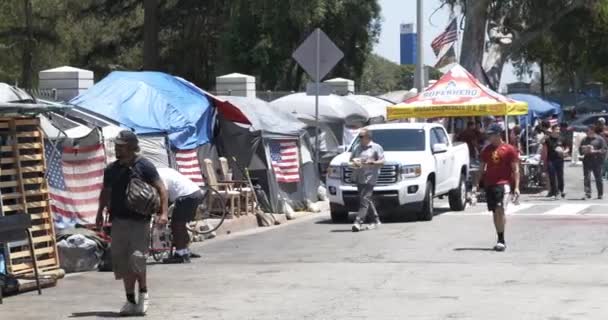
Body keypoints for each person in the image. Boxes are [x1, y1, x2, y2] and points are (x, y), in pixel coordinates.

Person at [96, 130, 169, 316]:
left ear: (131, 146)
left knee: (137, 258)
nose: (118, 149)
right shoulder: (111, 170)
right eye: (117, 146)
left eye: (122, 146)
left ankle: (143, 294)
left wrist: (164, 213)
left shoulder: (144, 165)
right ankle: (130, 300)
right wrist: (99, 213)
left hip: (139, 221)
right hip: (118, 221)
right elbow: (105, 192)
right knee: (122, 262)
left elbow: (161, 188)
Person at [475, 124, 520, 252]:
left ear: (498, 135)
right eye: (488, 135)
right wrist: (476, 184)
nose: (489, 137)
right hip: (490, 184)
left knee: (500, 209)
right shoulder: (486, 150)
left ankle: (501, 240)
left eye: (491, 135)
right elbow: (481, 168)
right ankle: (499, 236)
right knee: (495, 212)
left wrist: (516, 187)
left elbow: (516, 169)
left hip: (504, 183)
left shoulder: (509, 149)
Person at [157, 167, 204, 264]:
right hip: (196, 192)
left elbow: (164, 193)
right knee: (181, 224)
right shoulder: (166, 170)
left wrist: (163, 213)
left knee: (176, 225)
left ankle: (180, 254)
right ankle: (185, 250)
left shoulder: (157, 176)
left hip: (186, 196)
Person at [349, 128, 384, 232]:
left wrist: (373, 163)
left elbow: (382, 161)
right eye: (359, 136)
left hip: (371, 176)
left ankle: (358, 222)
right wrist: (355, 162)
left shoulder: (376, 147)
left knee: (364, 198)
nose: (359, 138)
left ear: (368, 137)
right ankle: (375, 220)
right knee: (365, 199)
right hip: (360, 176)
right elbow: (351, 160)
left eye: (361, 136)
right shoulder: (357, 147)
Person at [579, 125, 607, 199]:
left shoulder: (600, 139)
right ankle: (588, 193)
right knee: (587, 178)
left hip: (597, 161)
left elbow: (604, 150)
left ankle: (600, 194)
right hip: (587, 161)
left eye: (587, 130)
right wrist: (584, 150)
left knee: (598, 178)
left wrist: (594, 151)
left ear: (592, 130)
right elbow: (580, 151)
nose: (586, 132)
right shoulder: (584, 140)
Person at [544, 125, 568, 199]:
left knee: (560, 176)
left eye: (558, 129)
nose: (558, 131)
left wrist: (564, 151)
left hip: (559, 159)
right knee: (552, 176)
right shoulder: (548, 139)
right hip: (550, 160)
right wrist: (546, 134)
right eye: (556, 129)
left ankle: (561, 190)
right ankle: (554, 191)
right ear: (553, 130)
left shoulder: (562, 138)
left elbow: (567, 148)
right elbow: (541, 142)